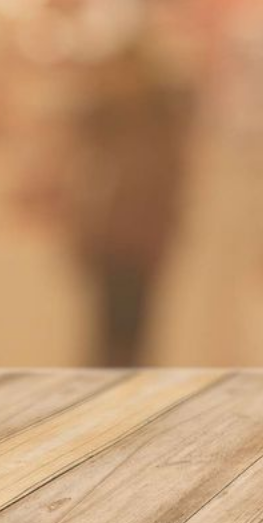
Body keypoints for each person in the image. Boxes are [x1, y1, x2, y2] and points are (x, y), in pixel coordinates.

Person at [65, 41, 189, 366]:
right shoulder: (103, 123)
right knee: (108, 331)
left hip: (137, 242)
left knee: (133, 333)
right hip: (113, 241)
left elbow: (168, 185)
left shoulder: (157, 126)